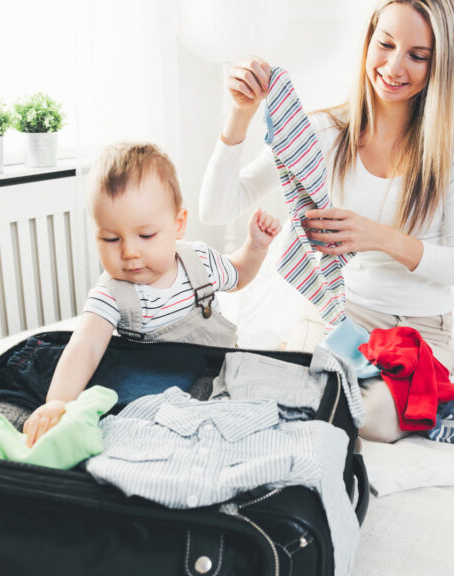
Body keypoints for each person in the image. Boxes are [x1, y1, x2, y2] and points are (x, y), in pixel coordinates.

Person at [199, 0, 454, 443]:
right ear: (368, 40)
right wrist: (239, 114)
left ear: (439, 63)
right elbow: (216, 209)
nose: (393, 66)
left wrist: (378, 237)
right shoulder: (324, 132)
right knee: (258, 390)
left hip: (420, 326)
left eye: (417, 55)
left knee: (377, 423)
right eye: (385, 44)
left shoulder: (453, 140)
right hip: (341, 314)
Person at [22, 142, 281, 446]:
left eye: (145, 235)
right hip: (158, 394)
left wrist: (256, 247)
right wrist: (58, 402)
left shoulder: (199, 261)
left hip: (219, 369)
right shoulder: (112, 294)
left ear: (178, 224)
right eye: (111, 238)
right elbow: (84, 347)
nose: (129, 252)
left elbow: (238, 275)